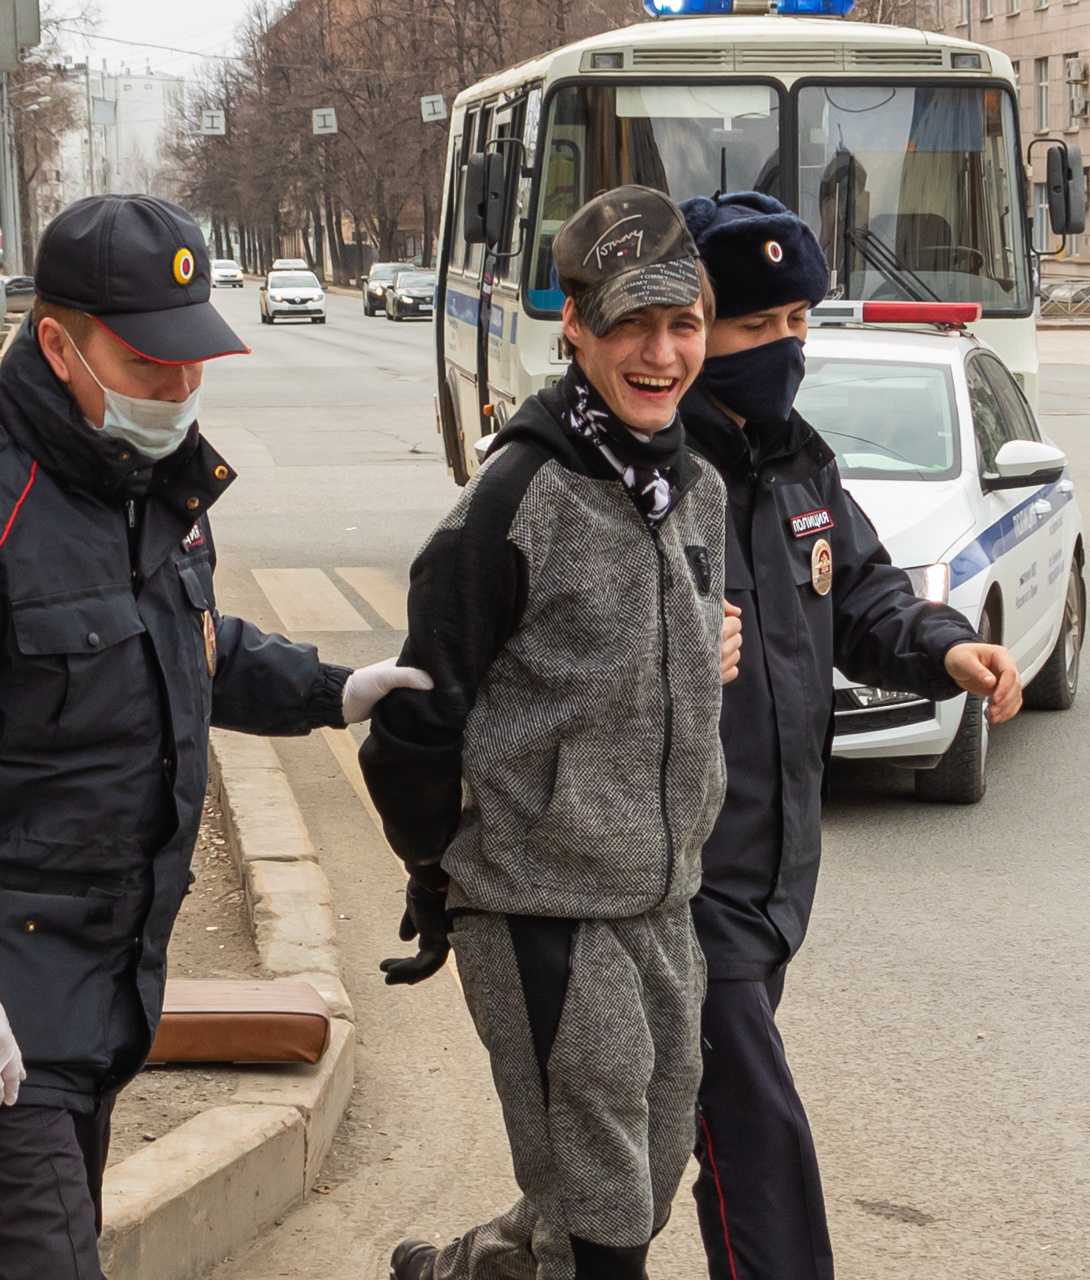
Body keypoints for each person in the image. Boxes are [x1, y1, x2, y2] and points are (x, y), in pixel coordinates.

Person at [0, 194, 428, 1280]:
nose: (178, 389)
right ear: (57, 344)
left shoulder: (154, 488)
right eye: (147, 364)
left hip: (106, 976)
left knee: (52, 1246)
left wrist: (333, 689)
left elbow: (190, 646)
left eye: (193, 362)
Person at [360, 186, 739, 1280]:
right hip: (538, 907)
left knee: (639, 1187)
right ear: (573, 325)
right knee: (606, 1212)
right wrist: (438, 873)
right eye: (632, 324)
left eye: (683, 323)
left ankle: (474, 1269)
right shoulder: (514, 501)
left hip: (662, 899)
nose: (662, 353)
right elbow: (415, 715)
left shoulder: (697, 489)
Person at [674, 190, 1022, 1280]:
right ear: (690, 329)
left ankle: (511, 1255)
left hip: (776, 875)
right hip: (678, 881)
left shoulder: (798, 460)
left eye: (796, 326)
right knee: (754, 1140)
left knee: (658, 1135)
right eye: (753, 327)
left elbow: (863, 596)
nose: (783, 350)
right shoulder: (652, 479)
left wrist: (947, 644)